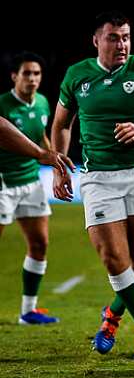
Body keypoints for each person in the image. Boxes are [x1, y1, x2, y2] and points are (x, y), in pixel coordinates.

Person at [51, 11, 134, 359]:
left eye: (126, 36)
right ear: (96, 40)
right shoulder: (77, 75)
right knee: (114, 258)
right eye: (113, 37)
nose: (122, 44)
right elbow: (62, 124)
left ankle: (112, 314)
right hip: (97, 177)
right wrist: (59, 163)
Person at [1, 52, 60, 324]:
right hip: (3, 182)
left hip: (31, 181)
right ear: (14, 76)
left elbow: (43, 137)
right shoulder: (3, 105)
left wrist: (55, 160)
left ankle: (28, 310)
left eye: (36, 73)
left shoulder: (44, 103)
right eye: (27, 73)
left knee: (39, 244)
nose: (33, 79)